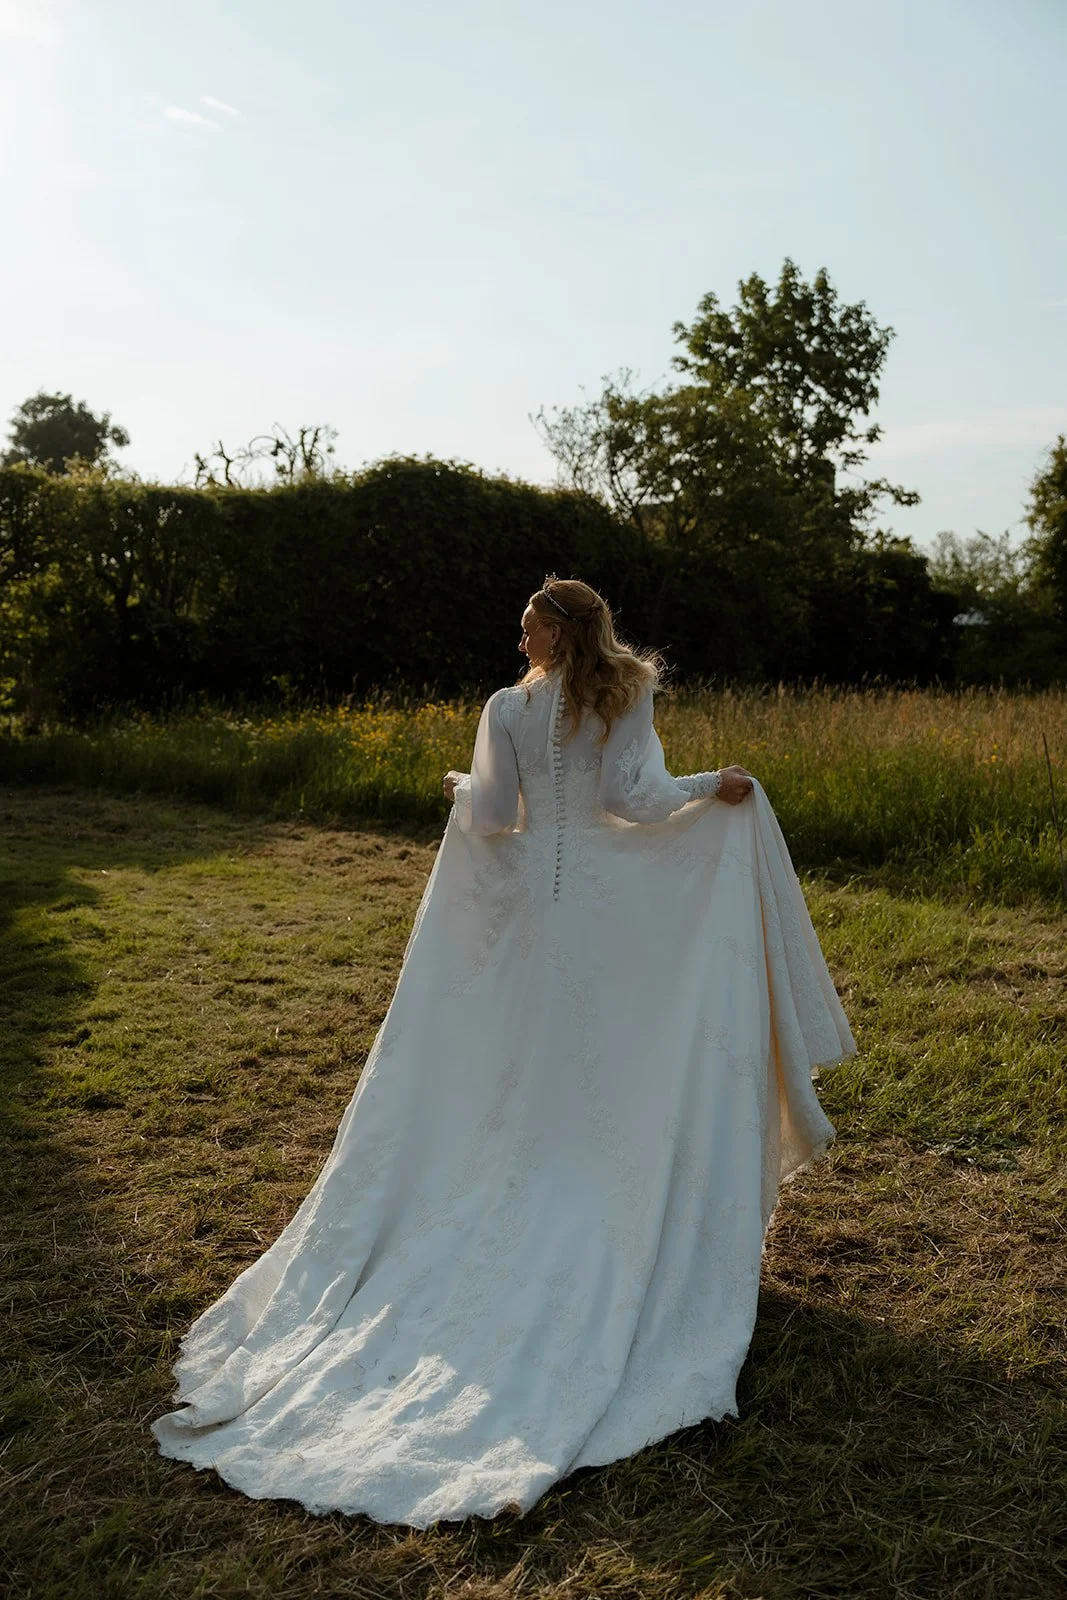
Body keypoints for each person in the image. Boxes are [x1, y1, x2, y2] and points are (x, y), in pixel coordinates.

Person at [151, 575, 856, 1529]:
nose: (517, 632)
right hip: (602, 904)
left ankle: (548, 1178)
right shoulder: (623, 692)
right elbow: (638, 802)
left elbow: (491, 817)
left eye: (530, 621)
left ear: (563, 630)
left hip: (532, 905)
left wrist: (457, 785)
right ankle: (595, 1185)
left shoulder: (503, 707)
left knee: (531, 1058)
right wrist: (710, 788)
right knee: (597, 1056)